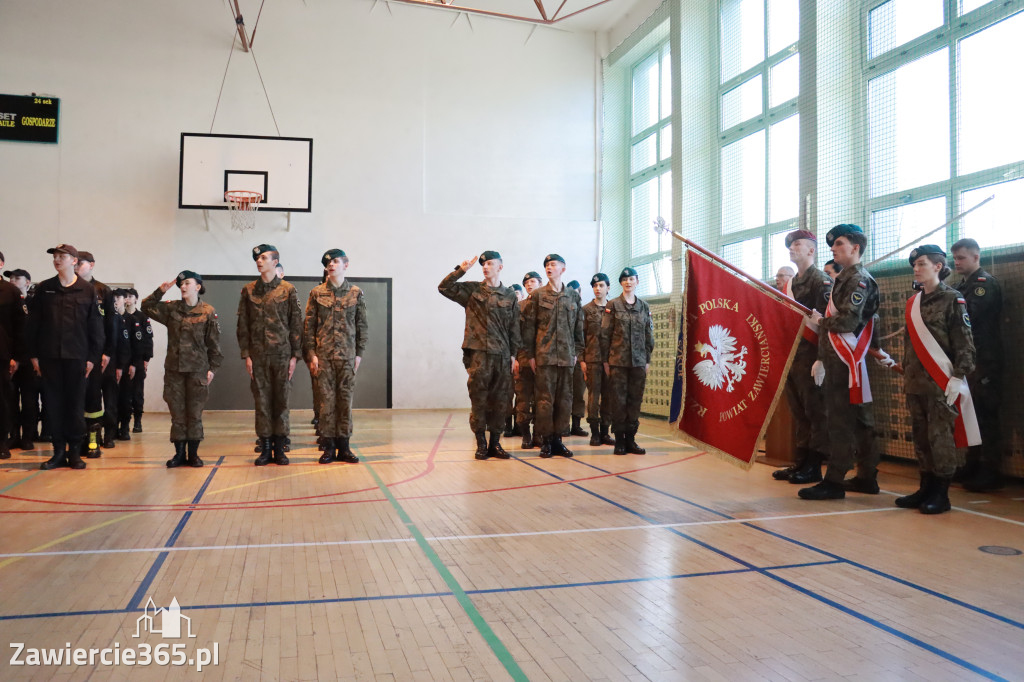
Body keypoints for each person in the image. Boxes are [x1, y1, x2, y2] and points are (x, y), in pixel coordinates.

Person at [800, 224, 888, 500]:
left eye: (839, 243)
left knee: (840, 420)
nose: (833, 248)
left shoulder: (857, 280)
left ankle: (834, 481)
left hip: (847, 359)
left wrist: (820, 321)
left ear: (855, 247)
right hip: (841, 358)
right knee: (860, 419)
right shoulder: (844, 278)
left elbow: (849, 321)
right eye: (833, 244)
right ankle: (866, 477)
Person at [895, 245, 976, 514]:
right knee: (920, 438)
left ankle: (941, 493)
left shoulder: (953, 299)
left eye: (921, 264)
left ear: (938, 266)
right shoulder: (913, 302)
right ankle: (925, 486)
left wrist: (958, 376)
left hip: (941, 382)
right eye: (914, 265)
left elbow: (964, 343)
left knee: (940, 438)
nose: (916, 269)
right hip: (915, 383)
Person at [25, 244, 104, 470]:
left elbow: (95, 327)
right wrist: (33, 355)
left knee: (75, 405)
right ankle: (58, 452)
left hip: (77, 358)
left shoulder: (87, 290)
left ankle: (75, 452)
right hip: (49, 357)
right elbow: (33, 325)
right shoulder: (44, 288)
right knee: (53, 405)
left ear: (74, 261)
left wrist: (92, 358)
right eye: (55, 257)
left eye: (62, 256)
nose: (57, 260)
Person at [439, 251, 521, 459]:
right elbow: (444, 287)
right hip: (478, 355)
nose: (485, 267)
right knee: (479, 399)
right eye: (483, 264)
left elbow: (514, 328)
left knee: (500, 400)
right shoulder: (473, 291)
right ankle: (481, 443)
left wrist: (513, 355)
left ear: (500, 267)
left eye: (490, 263)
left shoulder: (510, 295)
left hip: (502, 356)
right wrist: (461, 270)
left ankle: (495, 443)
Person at [143, 271, 223, 468]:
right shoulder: (172, 309)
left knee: (194, 414)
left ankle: (193, 454)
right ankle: (179, 454)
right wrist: (160, 291)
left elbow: (214, 345)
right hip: (174, 371)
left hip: (197, 371)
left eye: (187, 283)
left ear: (198, 286)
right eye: (181, 284)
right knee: (177, 415)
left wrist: (213, 368)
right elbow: (146, 307)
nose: (183, 287)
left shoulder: (207, 311)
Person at [772, 230, 832, 484]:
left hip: (812, 358)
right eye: (790, 245)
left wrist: (822, 359)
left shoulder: (821, 281)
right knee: (799, 413)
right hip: (793, 358)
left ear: (811, 250)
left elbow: (827, 323)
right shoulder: (791, 285)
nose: (792, 248)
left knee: (815, 413)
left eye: (797, 244)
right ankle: (801, 461)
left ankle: (814, 465)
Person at [238, 244, 303, 466]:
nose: (259, 261)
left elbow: (296, 324)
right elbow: (243, 324)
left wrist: (295, 356)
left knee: (282, 402)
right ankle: (265, 448)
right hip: (258, 356)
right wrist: (246, 354)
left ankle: (280, 447)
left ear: (275, 262)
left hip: (282, 356)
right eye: (257, 258)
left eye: (264, 257)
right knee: (262, 402)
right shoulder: (248, 290)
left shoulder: (288, 290)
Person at [304, 249, 367, 465]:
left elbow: (362, 326)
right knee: (326, 403)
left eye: (336, 261)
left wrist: (359, 354)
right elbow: (309, 326)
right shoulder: (316, 293)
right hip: (324, 358)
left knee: (345, 402)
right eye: (328, 262)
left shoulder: (356, 293)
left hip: (348, 357)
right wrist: (312, 354)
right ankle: (328, 447)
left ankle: (345, 447)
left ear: (345, 265)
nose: (332, 265)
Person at [951, 238, 1004, 492]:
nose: (957, 263)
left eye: (961, 258)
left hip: (986, 358)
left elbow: (968, 317)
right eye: (955, 258)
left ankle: (990, 469)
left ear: (976, 257)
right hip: (970, 359)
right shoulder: (963, 286)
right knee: (971, 413)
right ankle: (972, 463)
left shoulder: (984, 284)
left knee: (986, 414)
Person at [523, 255, 584, 458]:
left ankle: (558, 440)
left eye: (553, 265)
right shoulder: (538, 295)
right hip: (545, 357)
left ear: (563, 269)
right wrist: (531, 355)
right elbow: (529, 328)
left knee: (565, 401)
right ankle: (546, 441)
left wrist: (576, 353)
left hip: (567, 358)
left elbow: (579, 329)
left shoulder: (573, 296)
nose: (549, 268)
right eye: (547, 265)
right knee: (544, 402)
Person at [600, 267, 654, 455]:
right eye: (625, 279)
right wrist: (606, 361)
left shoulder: (644, 307)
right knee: (618, 402)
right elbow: (604, 335)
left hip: (638, 362)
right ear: (621, 283)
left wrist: (647, 360)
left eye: (631, 279)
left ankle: (631, 439)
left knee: (635, 402)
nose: (628, 282)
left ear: (637, 281)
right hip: (618, 362)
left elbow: (649, 335)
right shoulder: (613, 305)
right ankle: (620, 441)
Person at [74, 251, 112, 457]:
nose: (78, 265)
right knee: (75, 398)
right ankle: (77, 440)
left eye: (82, 262)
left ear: (92, 265)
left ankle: (93, 441)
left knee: (93, 398)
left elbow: (110, 325)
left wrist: (107, 352)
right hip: (74, 353)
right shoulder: (69, 288)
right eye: (75, 262)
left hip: (95, 354)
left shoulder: (102, 291)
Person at [6, 269, 40, 451]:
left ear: (27, 282)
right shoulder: (7, 301)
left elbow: (35, 333)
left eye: (17, 278)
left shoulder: (35, 304)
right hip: (10, 358)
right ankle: (14, 435)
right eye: (10, 278)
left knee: (29, 400)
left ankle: (28, 435)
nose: (12, 281)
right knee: (10, 400)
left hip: (29, 359)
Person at [582, 273, 615, 447]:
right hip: (593, 360)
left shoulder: (615, 308)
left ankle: (605, 432)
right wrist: (582, 360)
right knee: (594, 397)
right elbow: (580, 337)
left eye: (601, 285)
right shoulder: (586, 310)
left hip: (612, 360)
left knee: (608, 397)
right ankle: (594, 433)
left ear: (608, 288)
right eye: (595, 286)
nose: (598, 289)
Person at [99, 289, 131, 448]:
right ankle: (94, 436)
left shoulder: (117, 318)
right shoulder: (92, 316)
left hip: (111, 367)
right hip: (94, 366)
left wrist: (120, 367)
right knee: (93, 405)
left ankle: (109, 436)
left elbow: (123, 345)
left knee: (111, 404)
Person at [0, 265, 26, 460]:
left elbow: (19, 328)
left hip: (2, 354)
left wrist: (16, 356)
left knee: (3, 400)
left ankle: (2, 441)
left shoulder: (10, 291)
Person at [515, 271, 543, 449]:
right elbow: (514, 335)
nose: (529, 284)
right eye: (526, 283)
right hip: (524, 360)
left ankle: (539, 434)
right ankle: (526, 435)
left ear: (540, 283)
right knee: (523, 399)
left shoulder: (548, 304)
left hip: (544, 361)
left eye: (533, 281)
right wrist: (515, 358)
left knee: (543, 400)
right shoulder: (518, 306)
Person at [123, 288, 153, 434]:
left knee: (137, 393)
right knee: (124, 393)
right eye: (125, 297)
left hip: (138, 360)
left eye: (130, 296)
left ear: (135, 299)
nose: (128, 299)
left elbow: (148, 339)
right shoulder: (119, 316)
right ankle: (124, 423)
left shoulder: (142, 317)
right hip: (123, 361)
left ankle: (138, 421)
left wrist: (146, 358)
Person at [565, 280, 589, 438]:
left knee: (579, 392)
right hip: (565, 358)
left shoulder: (585, 312)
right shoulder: (563, 311)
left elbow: (588, 337)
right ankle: (563, 425)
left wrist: (582, 358)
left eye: (576, 292)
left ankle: (576, 425)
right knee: (564, 394)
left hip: (580, 359)